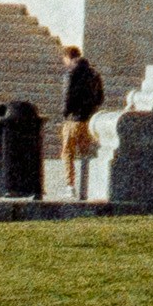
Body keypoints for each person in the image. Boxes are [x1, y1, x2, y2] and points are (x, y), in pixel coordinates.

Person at [57, 40, 105, 204]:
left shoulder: (71, 73)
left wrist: (65, 113)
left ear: (68, 57)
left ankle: (70, 186)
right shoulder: (94, 74)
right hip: (89, 120)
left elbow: (67, 95)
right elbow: (100, 98)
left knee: (68, 152)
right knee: (86, 152)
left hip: (73, 119)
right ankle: (87, 187)